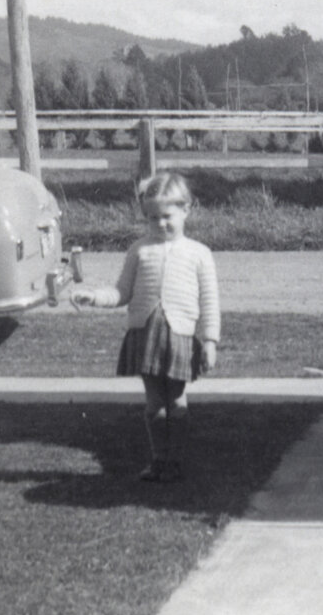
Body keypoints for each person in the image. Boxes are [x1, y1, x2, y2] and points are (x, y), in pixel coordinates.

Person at [71, 170, 221, 482]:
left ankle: (176, 459)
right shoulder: (139, 250)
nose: (160, 224)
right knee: (154, 403)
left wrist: (209, 341)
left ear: (186, 210)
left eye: (167, 216)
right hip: (145, 335)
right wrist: (95, 297)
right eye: (152, 218)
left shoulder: (200, 254)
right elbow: (122, 293)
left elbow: (210, 302)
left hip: (179, 336)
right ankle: (159, 460)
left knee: (176, 400)